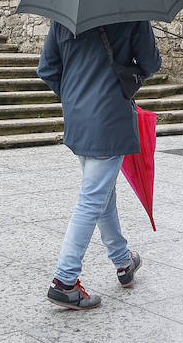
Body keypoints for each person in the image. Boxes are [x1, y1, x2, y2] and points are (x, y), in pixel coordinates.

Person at [39, 20, 161, 311]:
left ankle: (122, 261)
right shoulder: (132, 14)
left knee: (103, 194)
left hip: (78, 119)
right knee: (92, 199)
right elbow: (151, 62)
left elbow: (47, 69)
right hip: (110, 117)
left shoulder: (65, 19)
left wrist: (75, 98)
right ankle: (65, 281)